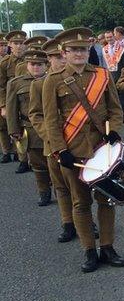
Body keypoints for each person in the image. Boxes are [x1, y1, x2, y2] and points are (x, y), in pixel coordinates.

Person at [42, 27, 124, 272]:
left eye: (83, 49)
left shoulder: (101, 74)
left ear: (89, 50)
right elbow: (51, 120)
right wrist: (60, 149)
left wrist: (114, 129)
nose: (79, 53)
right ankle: (89, 250)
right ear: (64, 52)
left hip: (102, 148)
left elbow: (114, 108)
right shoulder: (53, 80)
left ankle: (108, 247)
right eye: (74, 50)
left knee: (107, 200)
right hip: (73, 150)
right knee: (80, 203)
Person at [31, 39, 77, 242]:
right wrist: (50, 136)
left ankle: (85, 220)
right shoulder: (40, 84)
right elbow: (35, 115)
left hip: (77, 141)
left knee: (80, 186)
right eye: (56, 57)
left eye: (62, 55)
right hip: (53, 144)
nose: (61, 60)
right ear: (49, 59)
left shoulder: (76, 80)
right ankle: (68, 223)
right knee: (60, 186)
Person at [6, 48, 51, 205]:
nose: (36, 67)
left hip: (52, 128)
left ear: (46, 65)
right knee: (38, 165)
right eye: (32, 64)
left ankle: (60, 189)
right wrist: (14, 130)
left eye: (40, 64)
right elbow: (11, 109)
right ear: (27, 65)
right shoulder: (16, 83)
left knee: (55, 163)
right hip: (30, 129)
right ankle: (44, 192)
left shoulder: (52, 81)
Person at [0, 30, 28, 163]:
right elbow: (1, 85)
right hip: (10, 100)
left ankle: (22, 156)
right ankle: (7, 151)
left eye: (22, 43)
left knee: (24, 125)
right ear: (10, 44)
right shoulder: (5, 63)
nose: (19, 46)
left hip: (25, 99)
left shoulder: (31, 61)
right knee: (6, 126)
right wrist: (3, 106)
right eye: (15, 43)